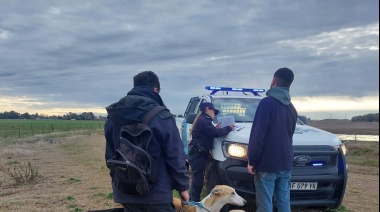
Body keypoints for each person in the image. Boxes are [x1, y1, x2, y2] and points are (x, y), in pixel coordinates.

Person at [104, 71, 190, 212]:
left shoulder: (113, 115)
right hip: (157, 194)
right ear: (155, 90)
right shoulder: (162, 116)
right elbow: (175, 156)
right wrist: (182, 187)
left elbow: (109, 156)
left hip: (126, 191)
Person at [247, 67, 298, 212]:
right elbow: (290, 135)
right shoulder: (292, 108)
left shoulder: (267, 103)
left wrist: (252, 160)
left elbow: (258, 135)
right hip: (286, 162)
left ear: (273, 81)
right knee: (283, 202)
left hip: (267, 164)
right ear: (289, 85)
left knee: (265, 205)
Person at [188, 102, 234, 202]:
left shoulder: (203, 120)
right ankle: (193, 203)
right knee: (197, 182)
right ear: (208, 109)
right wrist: (229, 127)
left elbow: (211, 131)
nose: (214, 114)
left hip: (197, 154)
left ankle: (193, 202)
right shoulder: (204, 120)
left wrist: (215, 128)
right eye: (214, 111)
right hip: (198, 154)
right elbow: (215, 133)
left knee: (198, 180)